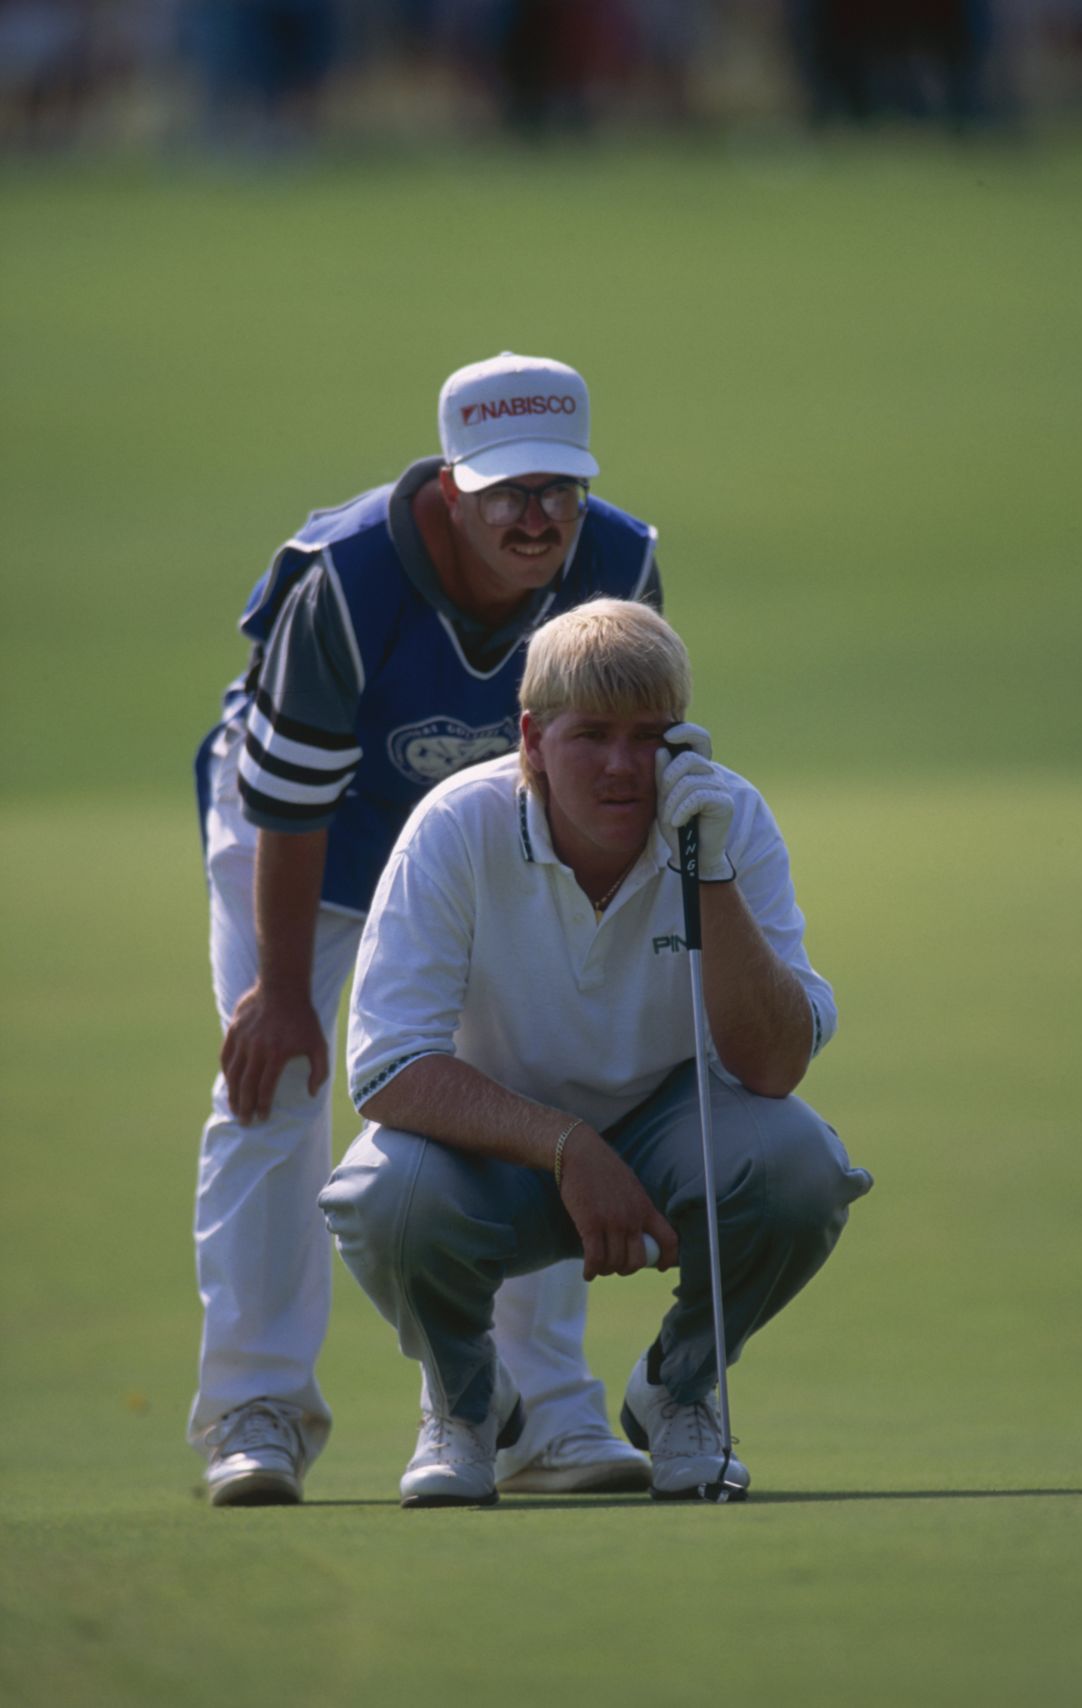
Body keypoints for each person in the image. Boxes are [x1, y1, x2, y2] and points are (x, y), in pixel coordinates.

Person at [192, 354, 662, 1505]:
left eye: (558, 486)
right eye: (506, 490)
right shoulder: (348, 584)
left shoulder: (620, 564)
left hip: (503, 828)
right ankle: (255, 1410)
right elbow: (291, 803)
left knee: (531, 1077)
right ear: (450, 488)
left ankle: (541, 1411)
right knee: (278, 1079)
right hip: (315, 834)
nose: (537, 515)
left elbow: (612, 757)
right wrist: (290, 991)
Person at [319, 599, 873, 1506]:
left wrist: (710, 874)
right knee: (385, 1196)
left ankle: (680, 1391)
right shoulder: (455, 827)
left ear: (684, 743)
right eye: (593, 736)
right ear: (533, 739)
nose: (624, 767)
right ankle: (462, 1406)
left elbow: (774, 1066)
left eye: (651, 737)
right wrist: (570, 1147)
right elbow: (388, 1069)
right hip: (488, 1151)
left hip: (670, 1129)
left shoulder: (724, 820)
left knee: (802, 1168)